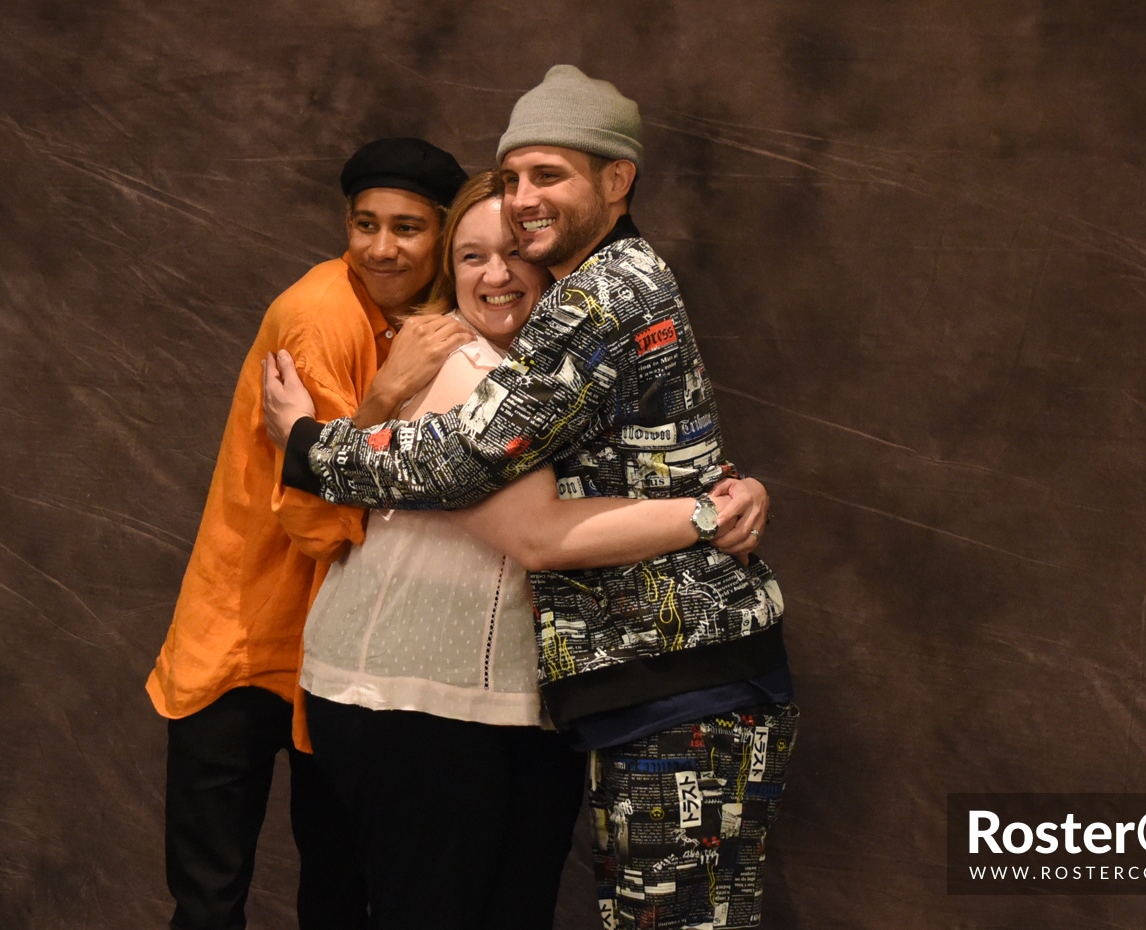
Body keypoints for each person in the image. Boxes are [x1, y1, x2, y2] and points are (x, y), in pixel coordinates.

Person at [264, 67, 797, 930]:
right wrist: (709, 507)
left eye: (547, 176)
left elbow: (471, 462)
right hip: (644, 682)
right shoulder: (585, 297)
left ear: (617, 180)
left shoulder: (600, 292)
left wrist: (310, 445)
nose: (522, 203)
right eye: (510, 181)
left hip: (683, 679)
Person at [146, 137, 474, 930]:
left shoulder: (431, 321)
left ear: (442, 236)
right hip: (246, 636)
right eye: (366, 225)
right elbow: (319, 518)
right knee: (210, 900)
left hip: (339, 647)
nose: (381, 248)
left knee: (340, 889)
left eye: (407, 228)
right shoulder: (321, 315)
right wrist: (386, 397)